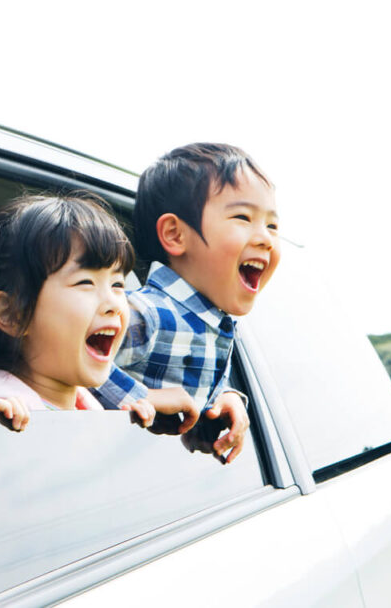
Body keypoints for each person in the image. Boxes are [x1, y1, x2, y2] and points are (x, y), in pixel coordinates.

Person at [95, 143, 281, 463]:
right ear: (175, 235)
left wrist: (225, 398)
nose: (266, 238)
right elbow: (70, 364)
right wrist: (142, 398)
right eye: (242, 217)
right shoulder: (144, 314)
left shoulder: (214, 324)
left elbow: (195, 385)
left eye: (272, 225)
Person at [0, 193, 162, 431]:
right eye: (85, 282)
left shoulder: (92, 411)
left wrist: (129, 436)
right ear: (12, 314)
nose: (113, 303)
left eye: (118, 285)